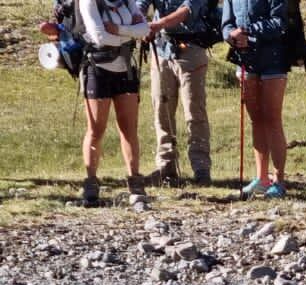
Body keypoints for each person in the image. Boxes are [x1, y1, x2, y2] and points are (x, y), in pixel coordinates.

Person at [70, 0, 150, 209]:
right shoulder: (89, 2)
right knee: (96, 129)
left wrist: (120, 30)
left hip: (125, 68)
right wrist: (130, 33)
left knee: (129, 128)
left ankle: (135, 185)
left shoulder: (127, 1)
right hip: (97, 69)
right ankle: (91, 184)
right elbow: (99, 36)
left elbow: (145, 29)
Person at [144, 0, 219, 186]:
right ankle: (166, 168)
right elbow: (140, 3)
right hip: (161, 49)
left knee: (194, 112)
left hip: (191, 48)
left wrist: (157, 25)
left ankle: (201, 168)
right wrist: (138, 23)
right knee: (161, 111)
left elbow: (187, 10)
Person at [222, 0, 291, 198]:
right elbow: (226, 24)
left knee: (272, 119)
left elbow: (279, 22)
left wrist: (247, 31)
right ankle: (261, 178)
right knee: (256, 119)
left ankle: (279, 180)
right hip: (246, 60)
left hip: (273, 60)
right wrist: (231, 36)